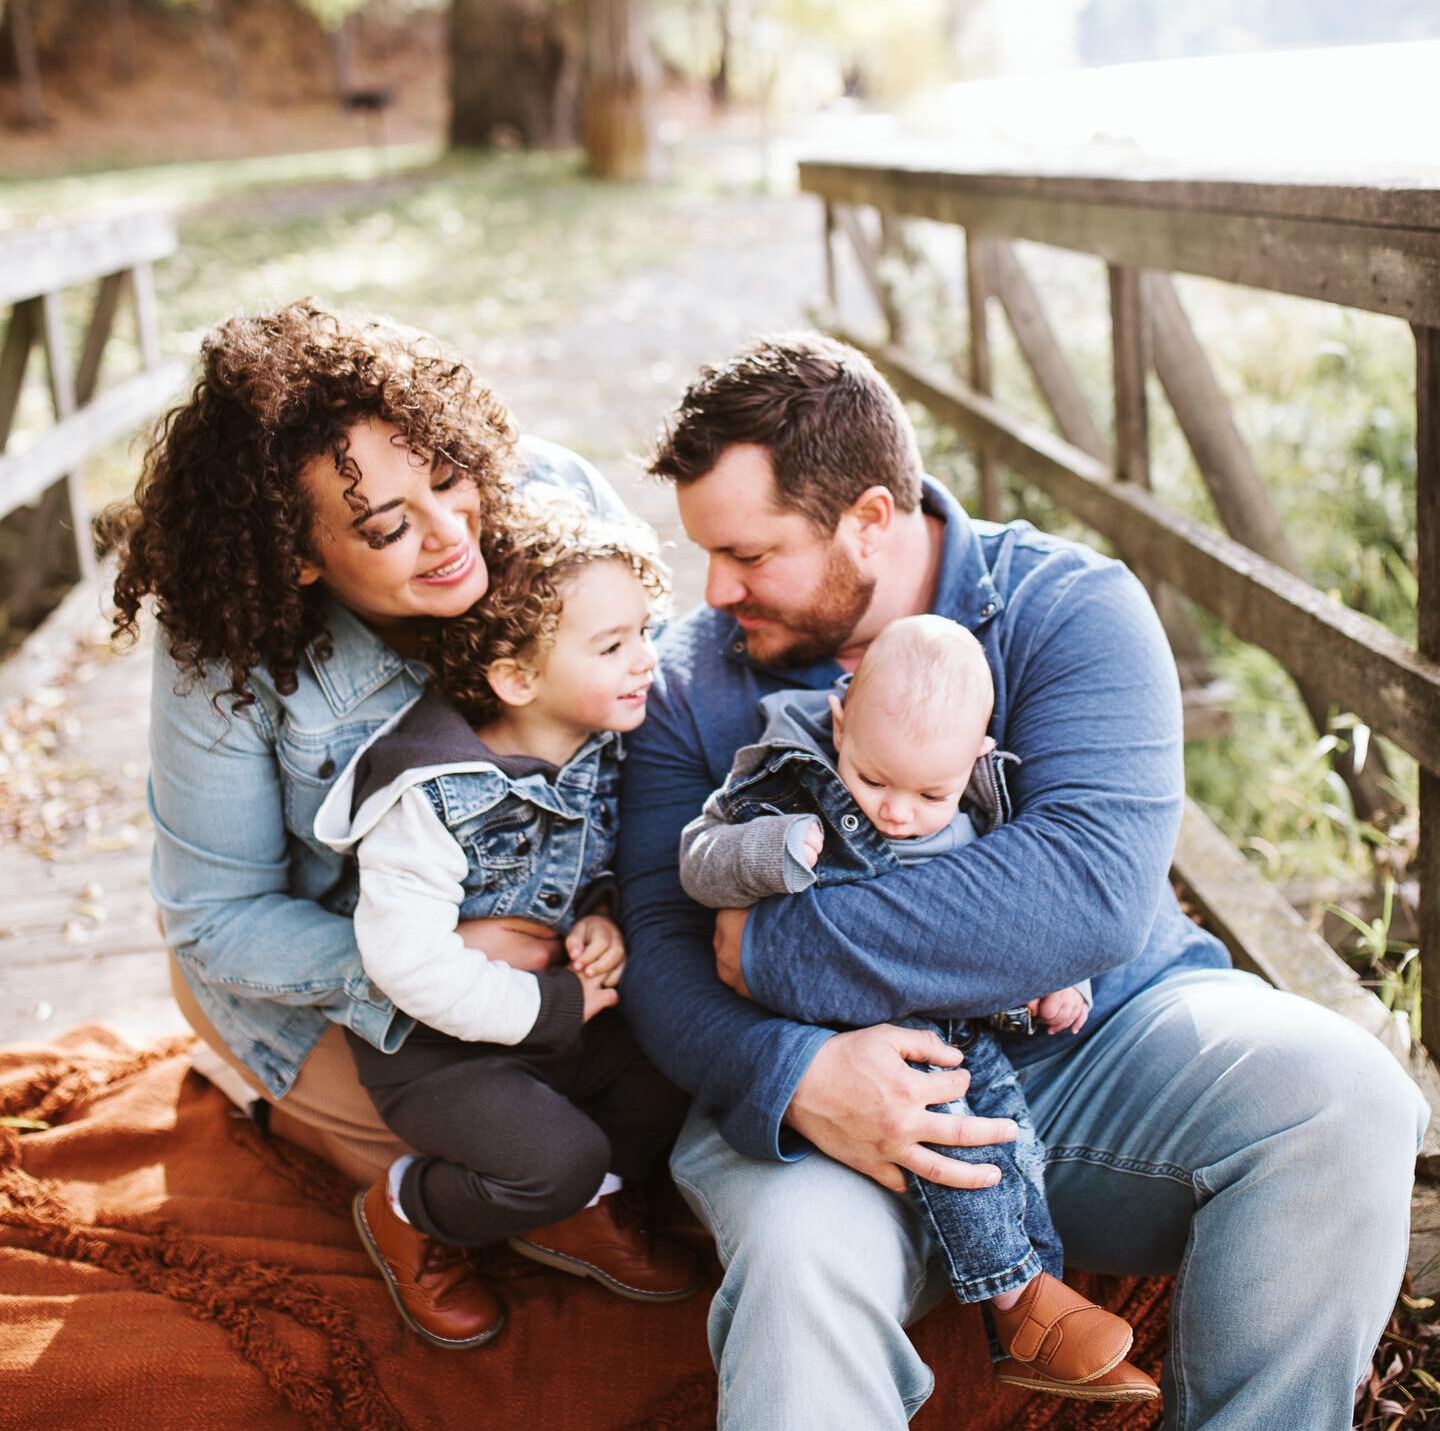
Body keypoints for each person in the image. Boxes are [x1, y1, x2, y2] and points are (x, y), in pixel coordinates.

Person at [617, 331, 1429, 1430]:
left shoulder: (1069, 608)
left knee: (1349, 1094)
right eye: (706, 553)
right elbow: (665, 956)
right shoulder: (686, 683)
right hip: (813, 1096)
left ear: (868, 518)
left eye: (750, 555)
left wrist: (771, 948)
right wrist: (794, 1070)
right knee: (803, 1263)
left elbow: (1082, 893)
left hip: (1094, 1034)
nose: (716, 591)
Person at [104, 299, 633, 1350]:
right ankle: (397, 1203)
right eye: (387, 527)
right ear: (297, 555)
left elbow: (646, 708)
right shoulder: (226, 648)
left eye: (447, 479)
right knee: (524, 1154)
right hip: (339, 981)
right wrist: (417, 961)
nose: (451, 536)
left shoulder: (558, 501)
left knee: (654, 1102)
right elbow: (216, 917)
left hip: (567, 930)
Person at [677, 613, 1157, 1403]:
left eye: (930, 792)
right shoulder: (784, 778)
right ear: (840, 721)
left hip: (969, 1024)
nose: (896, 812)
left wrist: (1059, 979)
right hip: (843, 1034)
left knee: (1007, 1138)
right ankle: (1016, 1298)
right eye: (871, 781)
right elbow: (698, 860)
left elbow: (1035, 918)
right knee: (952, 1138)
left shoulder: (987, 801)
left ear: (973, 760)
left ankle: (1036, 1307)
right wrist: (770, 851)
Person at [311, 510, 699, 1346]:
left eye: (643, 632)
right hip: (436, 1050)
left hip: (559, 1015)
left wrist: (602, 921)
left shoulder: (603, 741)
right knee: (552, 1159)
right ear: (518, 680)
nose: (645, 659)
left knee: (672, 1070)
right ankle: (411, 1208)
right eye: (612, 646)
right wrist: (552, 1009)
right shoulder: (431, 796)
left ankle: (578, 1206)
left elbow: (592, 867)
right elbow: (404, 963)